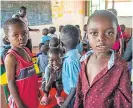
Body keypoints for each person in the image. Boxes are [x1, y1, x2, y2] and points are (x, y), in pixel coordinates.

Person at [74, 10, 132, 108]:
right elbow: (79, 91)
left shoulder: (120, 67)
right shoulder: (85, 60)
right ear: (87, 35)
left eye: (109, 33)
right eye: (94, 33)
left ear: (116, 36)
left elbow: (123, 103)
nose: (101, 38)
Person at [3, 18, 39, 108]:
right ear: (7, 39)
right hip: (21, 99)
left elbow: (32, 73)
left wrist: (37, 90)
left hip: (32, 94)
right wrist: (20, 105)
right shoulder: (11, 58)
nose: (21, 37)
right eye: (15, 35)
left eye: (24, 33)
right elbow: (10, 82)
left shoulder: (27, 50)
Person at [60, 25, 81, 108]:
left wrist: (65, 104)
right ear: (79, 41)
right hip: (73, 96)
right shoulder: (76, 54)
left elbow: (74, 87)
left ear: (61, 44)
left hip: (73, 98)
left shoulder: (70, 61)